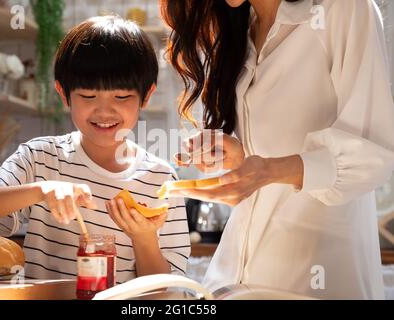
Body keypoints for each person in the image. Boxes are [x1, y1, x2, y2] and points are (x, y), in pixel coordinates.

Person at [160, 0, 394, 299]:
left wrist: (268, 170)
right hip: (232, 274)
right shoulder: (242, 31)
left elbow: (372, 152)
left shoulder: (345, 9)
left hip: (315, 275)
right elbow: (274, 148)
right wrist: (239, 154)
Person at [0, 16, 190, 283]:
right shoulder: (40, 158)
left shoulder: (161, 180)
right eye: (88, 97)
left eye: (122, 97)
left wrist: (144, 237)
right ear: (63, 94)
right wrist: (41, 190)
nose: (104, 110)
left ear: (146, 96)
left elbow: (165, 291)